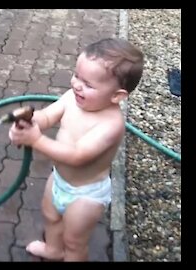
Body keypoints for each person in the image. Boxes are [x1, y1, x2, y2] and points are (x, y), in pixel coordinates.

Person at [8, 38, 144, 261]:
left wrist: (35, 140)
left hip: (86, 195)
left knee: (74, 241)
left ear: (117, 96)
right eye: (77, 75)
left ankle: (67, 253)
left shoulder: (110, 124)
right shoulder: (72, 98)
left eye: (88, 84)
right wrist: (31, 122)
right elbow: (48, 116)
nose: (77, 85)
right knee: (50, 217)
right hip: (59, 179)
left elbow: (78, 156)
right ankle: (53, 250)